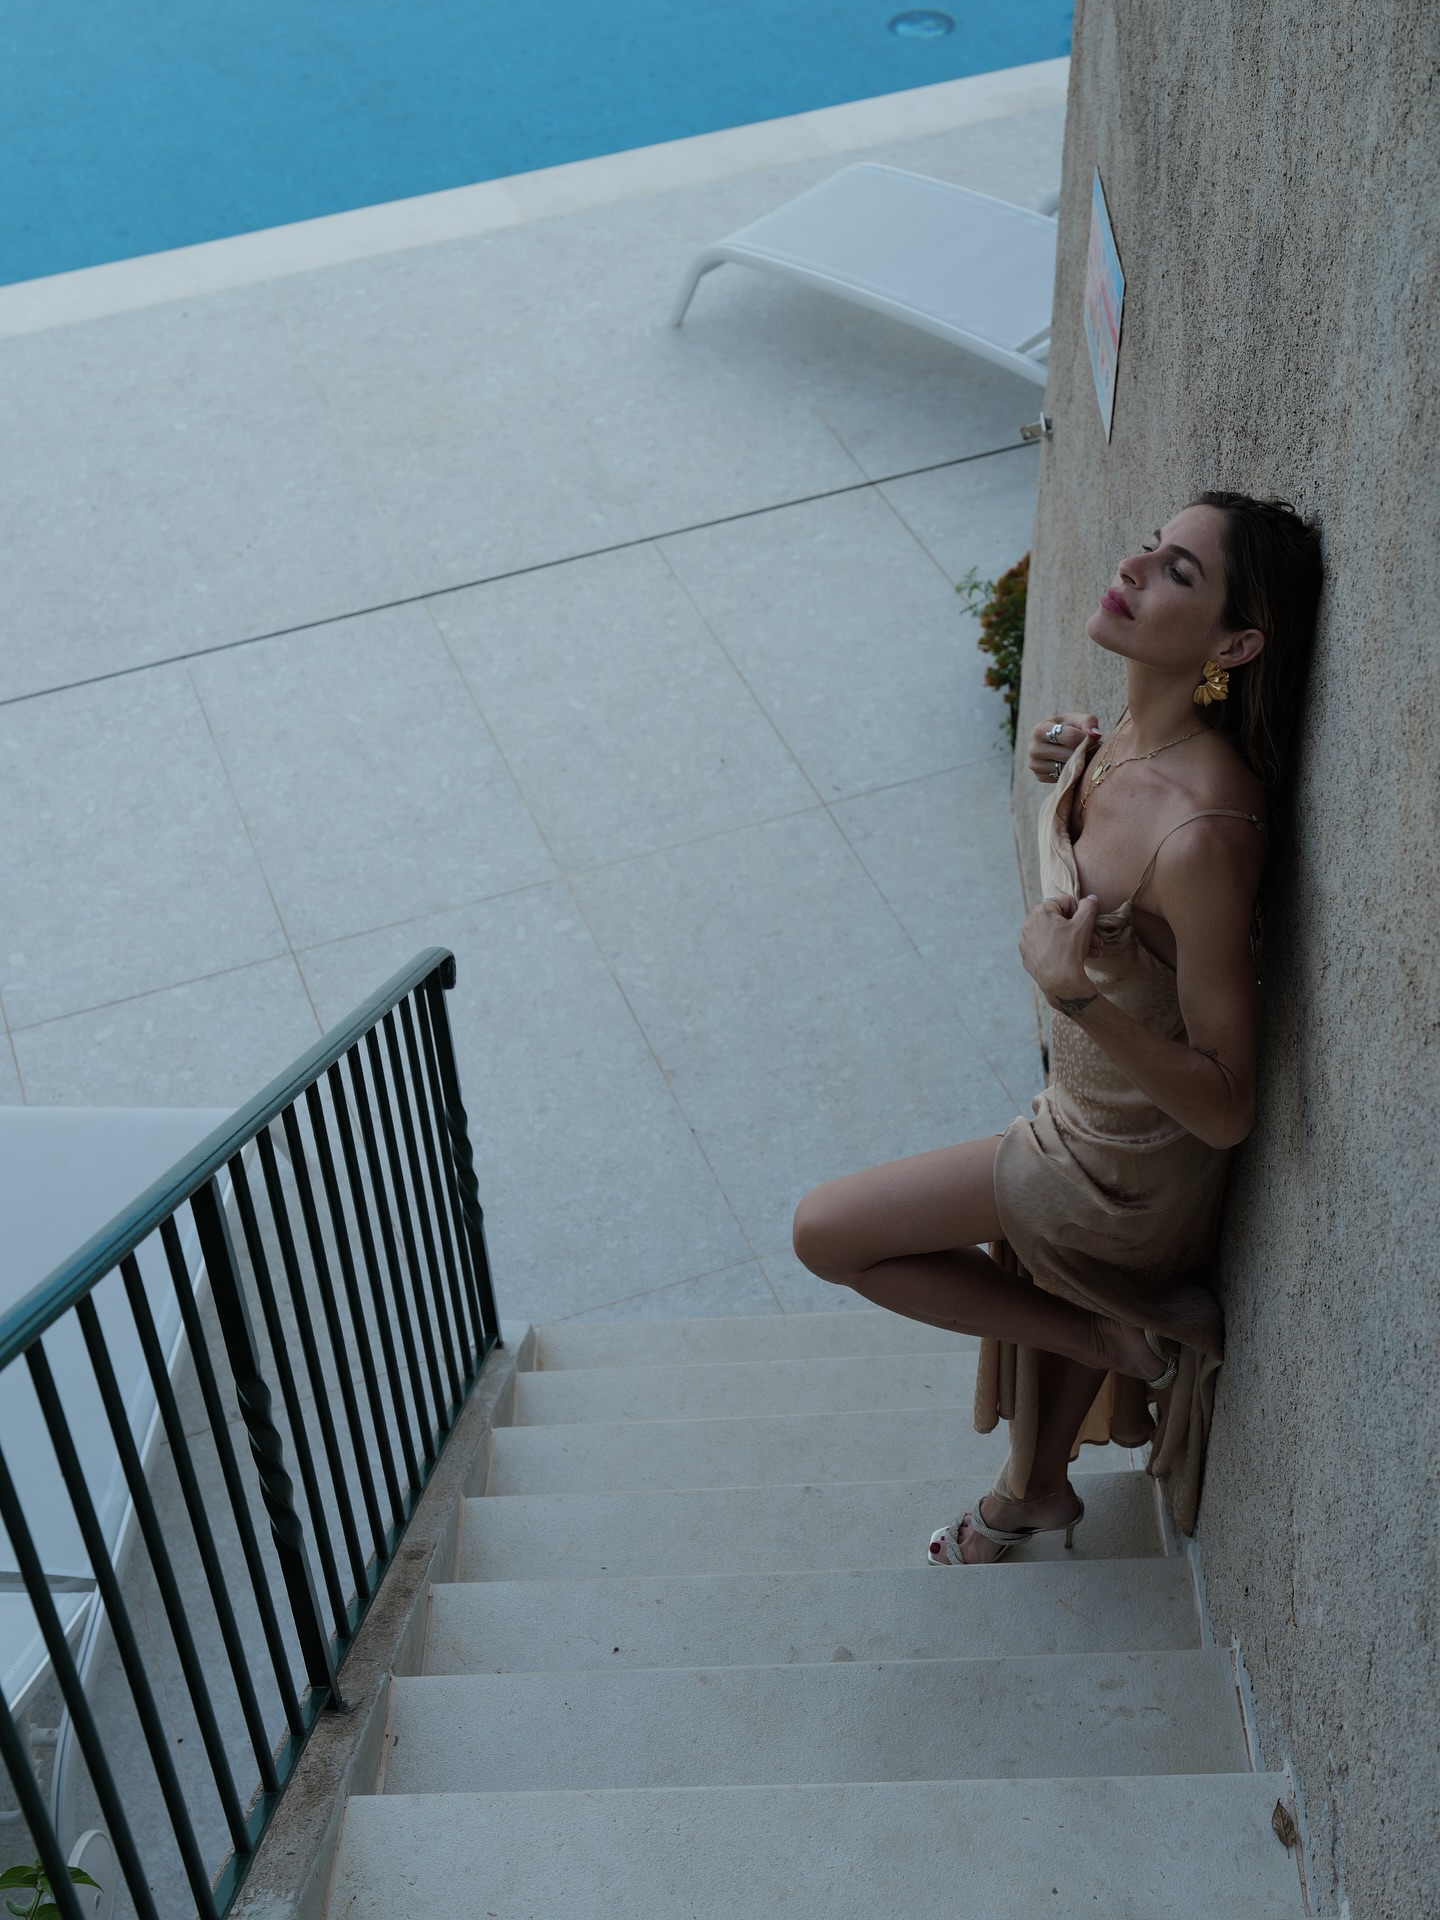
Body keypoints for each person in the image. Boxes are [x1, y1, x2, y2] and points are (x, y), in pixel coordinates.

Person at [792, 492, 1323, 1561]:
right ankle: (1032, 1492)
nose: (1134, 566)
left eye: (1179, 573)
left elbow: (1228, 1107)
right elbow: (1108, 823)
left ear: (1235, 645)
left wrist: (1075, 997)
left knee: (826, 1232)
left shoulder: (1203, 834)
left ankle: (1112, 1340)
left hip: (1125, 1158)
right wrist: (1067, 760)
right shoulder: (1122, 737)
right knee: (1010, 1256)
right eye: (1151, 547)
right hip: (1081, 1109)